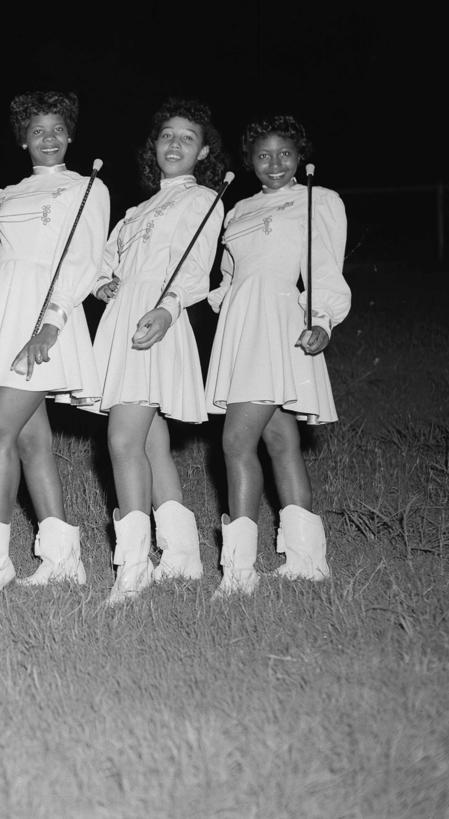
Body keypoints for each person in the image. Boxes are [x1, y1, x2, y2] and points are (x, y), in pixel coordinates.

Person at [0, 91, 109, 602]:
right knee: (29, 440)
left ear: (70, 136)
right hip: (5, 311)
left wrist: (50, 324)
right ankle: (64, 560)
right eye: (37, 129)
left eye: (57, 129)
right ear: (22, 138)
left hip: (47, 315)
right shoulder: (6, 194)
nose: (48, 137)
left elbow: (84, 261)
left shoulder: (86, 187)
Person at [90, 98, 227, 604]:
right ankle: (183, 557)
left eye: (187, 138)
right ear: (155, 146)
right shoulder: (137, 210)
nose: (174, 144)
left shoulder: (204, 200)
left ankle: (133, 566)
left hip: (156, 319)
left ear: (203, 151)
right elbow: (105, 260)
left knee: (122, 441)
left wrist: (167, 311)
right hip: (124, 315)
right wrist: (104, 284)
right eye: (167, 135)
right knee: (150, 443)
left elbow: (195, 269)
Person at [205, 115, 349, 596]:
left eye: (284, 153)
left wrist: (322, 321)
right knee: (280, 440)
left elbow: (324, 271)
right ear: (249, 161)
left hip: (281, 325)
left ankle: (239, 572)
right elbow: (230, 278)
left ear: (299, 155)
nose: (274, 163)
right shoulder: (238, 209)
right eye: (262, 155)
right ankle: (308, 561)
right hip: (242, 327)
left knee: (235, 442)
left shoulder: (318, 201)